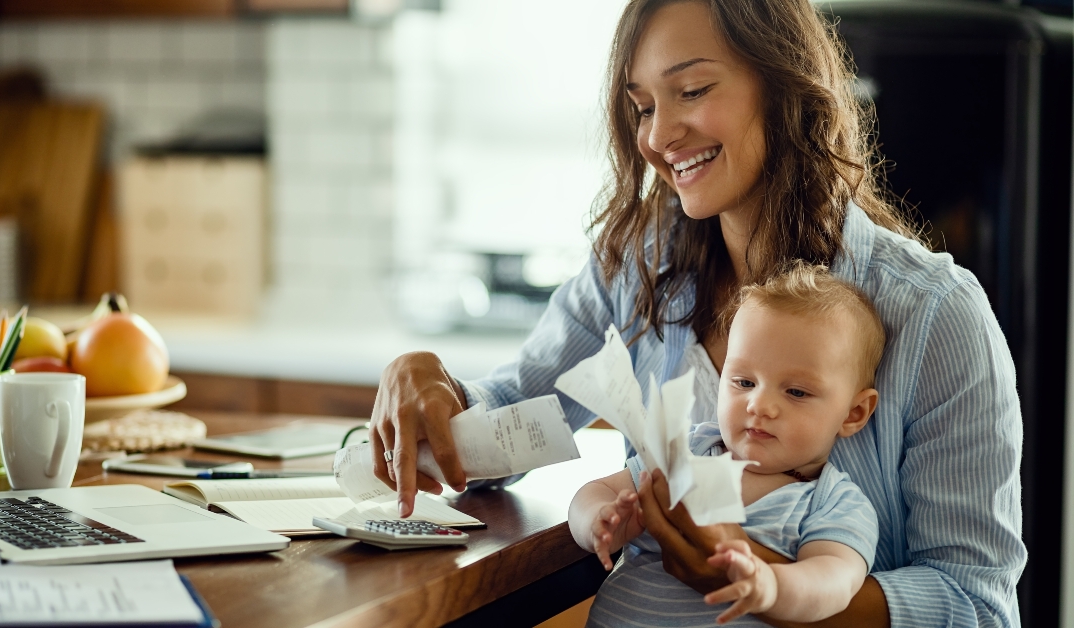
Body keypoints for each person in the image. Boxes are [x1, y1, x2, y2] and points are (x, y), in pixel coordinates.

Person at [369, 0, 1026, 625]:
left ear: (782, 83)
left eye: (692, 91)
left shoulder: (936, 314)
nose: (657, 136)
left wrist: (755, 580)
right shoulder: (635, 271)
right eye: (643, 106)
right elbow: (517, 417)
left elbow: (974, 605)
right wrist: (435, 395)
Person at [572, 263, 883, 626]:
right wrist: (598, 520)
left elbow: (834, 584)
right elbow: (596, 490)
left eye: (796, 391)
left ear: (853, 413)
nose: (758, 405)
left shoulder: (833, 504)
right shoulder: (689, 451)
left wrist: (772, 584)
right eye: (744, 382)